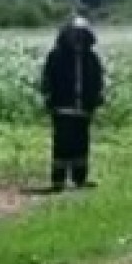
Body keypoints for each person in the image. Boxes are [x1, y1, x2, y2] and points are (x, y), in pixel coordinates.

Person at [38, 16, 106, 190]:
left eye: (81, 35)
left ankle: (79, 178)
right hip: (62, 108)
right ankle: (58, 180)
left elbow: (98, 80)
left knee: (81, 144)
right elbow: (47, 79)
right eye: (74, 34)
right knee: (61, 144)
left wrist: (97, 97)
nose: (77, 38)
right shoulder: (56, 56)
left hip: (84, 108)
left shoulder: (91, 58)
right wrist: (48, 98)